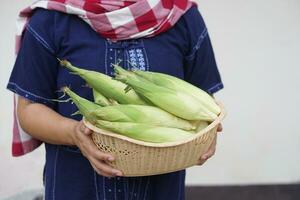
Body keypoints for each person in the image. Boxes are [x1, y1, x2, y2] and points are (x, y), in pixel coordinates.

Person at [7, 0, 224, 199]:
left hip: (161, 190)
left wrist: (206, 132)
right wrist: (75, 133)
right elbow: (29, 111)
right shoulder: (51, 19)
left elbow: (204, 103)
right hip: (76, 188)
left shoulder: (182, 16)